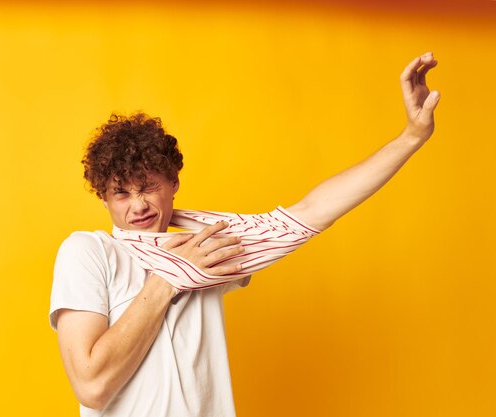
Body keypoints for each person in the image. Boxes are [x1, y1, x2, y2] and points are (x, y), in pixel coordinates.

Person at [49, 52, 440, 416]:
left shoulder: (207, 247)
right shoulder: (88, 253)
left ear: (173, 183)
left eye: (148, 186)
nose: (138, 205)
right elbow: (92, 386)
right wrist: (169, 277)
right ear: (104, 198)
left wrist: (410, 137)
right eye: (121, 192)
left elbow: (311, 212)